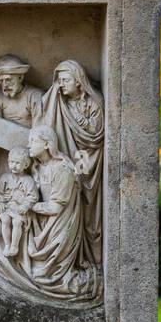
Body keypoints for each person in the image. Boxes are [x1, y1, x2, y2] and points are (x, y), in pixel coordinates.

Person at [0, 125, 99, 307]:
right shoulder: (37, 167)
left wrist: (26, 205)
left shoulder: (62, 169)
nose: (29, 144)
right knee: (6, 223)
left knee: (39, 272)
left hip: (57, 227)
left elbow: (55, 208)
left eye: (33, 141)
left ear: (47, 144)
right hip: (39, 221)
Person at [39, 59, 104, 267]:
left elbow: (96, 133)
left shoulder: (93, 103)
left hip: (89, 158)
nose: (61, 84)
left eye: (65, 80)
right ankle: (74, 257)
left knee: (89, 209)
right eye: (59, 80)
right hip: (71, 155)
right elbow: (48, 110)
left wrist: (80, 119)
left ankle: (93, 258)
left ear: (78, 81)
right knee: (70, 204)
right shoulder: (61, 103)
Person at [0, 147, 39, 257]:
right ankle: (7, 244)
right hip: (7, 206)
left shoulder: (28, 180)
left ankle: (14, 246)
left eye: (17, 163)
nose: (14, 165)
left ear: (26, 165)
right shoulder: (5, 178)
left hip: (20, 209)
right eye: (11, 162)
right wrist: (0, 203)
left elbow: (33, 196)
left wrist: (25, 206)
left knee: (17, 221)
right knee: (4, 219)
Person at [0, 54, 44, 128]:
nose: (4, 85)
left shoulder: (35, 96)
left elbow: (39, 128)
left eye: (8, 80)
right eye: (1, 81)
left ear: (20, 78)